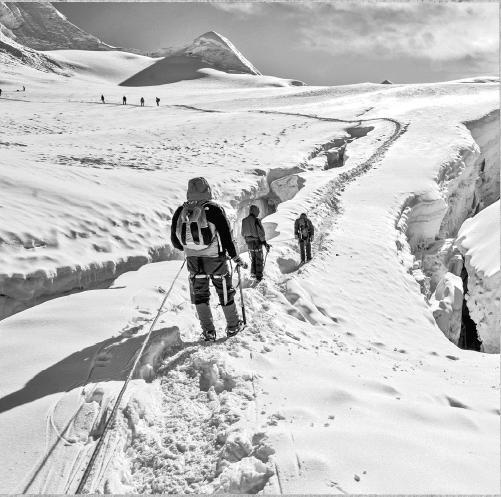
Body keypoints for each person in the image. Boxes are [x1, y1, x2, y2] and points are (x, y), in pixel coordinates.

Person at [171, 177, 247, 341]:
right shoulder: (214, 209)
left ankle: (208, 332)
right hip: (215, 260)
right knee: (224, 291)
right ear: (207, 189)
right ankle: (233, 326)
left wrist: (190, 249)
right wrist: (234, 256)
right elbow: (226, 237)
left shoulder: (181, 211)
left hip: (193, 261)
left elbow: (175, 241)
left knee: (200, 295)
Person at [241, 205, 270, 282]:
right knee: (259, 259)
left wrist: (248, 240)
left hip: (250, 244)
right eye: (258, 211)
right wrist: (265, 243)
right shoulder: (256, 220)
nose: (258, 213)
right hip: (257, 243)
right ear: (255, 211)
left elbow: (243, 233)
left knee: (253, 258)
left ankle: (253, 273)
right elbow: (261, 233)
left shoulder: (244, 221)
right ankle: (259, 276)